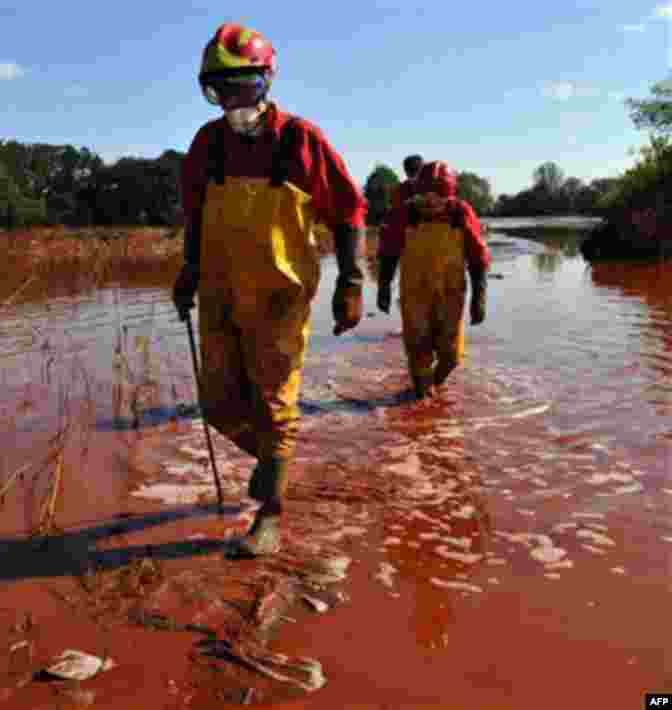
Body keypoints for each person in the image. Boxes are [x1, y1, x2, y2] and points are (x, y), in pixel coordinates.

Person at [172, 22, 368, 557]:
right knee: (219, 406)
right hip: (218, 290)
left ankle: (271, 515)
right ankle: (272, 462)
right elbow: (195, 216)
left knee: (275, 404)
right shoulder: (206, 145)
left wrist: (351, 281)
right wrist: (187, 272)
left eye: (245, 87)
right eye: (221, 89)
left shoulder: (300, 139)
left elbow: (349, 213)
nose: (234, 100)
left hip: (279, 297)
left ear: (267, 82)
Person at [376, 160, 491, 399]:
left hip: (451, 291)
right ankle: (421, 397)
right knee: (418, 349)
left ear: (448, 196)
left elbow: (478, 256)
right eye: (424, 197)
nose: (430, 203)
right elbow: (388, 252)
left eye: (437, 197)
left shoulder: (461, 213)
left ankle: (433, 386)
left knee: (452, 356)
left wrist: (479, 297)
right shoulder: (405, 213)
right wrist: (384, 286)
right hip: (415, 291)